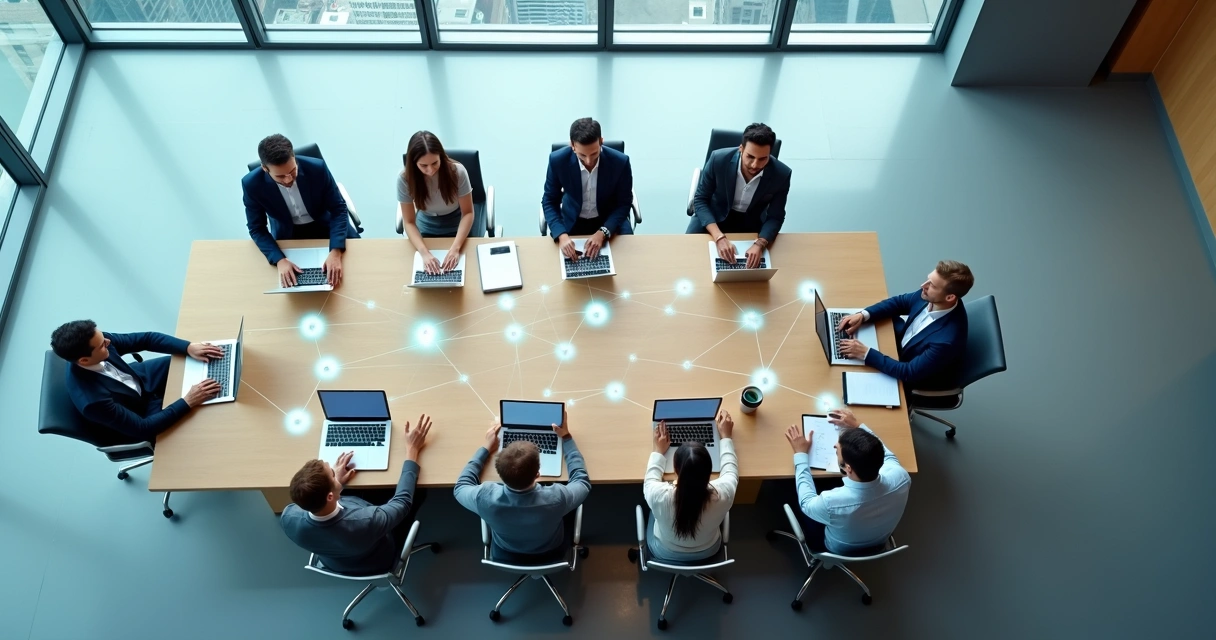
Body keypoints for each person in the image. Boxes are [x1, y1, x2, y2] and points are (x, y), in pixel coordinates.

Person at [280, 415, 432, 575]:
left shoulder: (288, 517)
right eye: (332, 473)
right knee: (418, 492)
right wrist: (412, 449)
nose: (335, 471)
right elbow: (402, 502)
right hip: (379, 559)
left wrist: (336, 482)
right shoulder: (366, 520)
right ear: (329, 497)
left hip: (336, 563)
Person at [51, 319, 223, 441]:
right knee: (198, 423)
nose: (109, 341)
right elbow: (143, 428)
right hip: (140, 410)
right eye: (103, 345)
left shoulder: (98, 341)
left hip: (140, 379)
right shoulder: (93, 402)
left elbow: (146, 339)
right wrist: (187, 401)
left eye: (103, 337)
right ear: (84, 360)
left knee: (188, 360)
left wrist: (188, 347)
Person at [454, 416, 590, 563]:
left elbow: (461, 487)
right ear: (538, 474)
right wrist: (566, 437)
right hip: (551, 552)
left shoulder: (484, 498)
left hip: (505, 553)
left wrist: (486, 448)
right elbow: (582, 482)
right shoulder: (557, 498)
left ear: (500, 475)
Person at [782, 408, 910, 555]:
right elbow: (888, 456)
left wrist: (800, 454)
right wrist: (858, 426)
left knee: (786, 486)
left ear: (848, 468)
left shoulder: (831, 502)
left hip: (835, 548)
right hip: (878, 540)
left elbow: (806, 502)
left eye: (837, 450)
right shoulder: (901, 476)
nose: (835, 446)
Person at [241, 134, 360, 288]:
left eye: (292, 171)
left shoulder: (317, 168)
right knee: (293, 284)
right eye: (280, 176)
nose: (288, 179)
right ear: (265, 169)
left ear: (295, 158)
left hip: (327, 225)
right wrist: (279, 260)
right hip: (289, 234)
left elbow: (338, 208)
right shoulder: (252, 184)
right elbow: (256, 228)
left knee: (356, 276)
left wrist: (336, 251)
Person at [836, 260, 974, 390]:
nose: (923, 285)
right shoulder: (932, 296)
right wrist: (863, 315)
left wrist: (865, 353)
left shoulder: (946, 341)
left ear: (950, 297)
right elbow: (899, 302)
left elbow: (908, 372)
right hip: (901, 348)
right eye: (928, 279)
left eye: (932, 285)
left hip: (910, 377)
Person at [687, 123, 792, 269]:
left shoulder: (782, 174)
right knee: (689, 259)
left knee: (749, 271)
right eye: (750, 156)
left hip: (750, 221)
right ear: (741, 148)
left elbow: (776, 216)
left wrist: (760, 244)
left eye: (763, 159)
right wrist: (719, 237)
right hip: (713, 214)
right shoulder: (718, 159)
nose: (755, 165)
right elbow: (700, 199)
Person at [643, 409, 738, 562]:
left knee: (651, 511)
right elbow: (731, 471)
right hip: (708, 551)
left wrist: (658, 451)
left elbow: (650, 479)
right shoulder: (724, 494)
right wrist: (726, 437)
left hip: (665, 551)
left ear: (676, 470)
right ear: (710, 472)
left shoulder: (658, 496)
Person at [542, 117, 634, 261]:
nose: (589, 161)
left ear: (601, 141)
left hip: (608, 219)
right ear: (572, 145)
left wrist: (603, 231)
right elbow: (549, 201)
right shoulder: (557, 161)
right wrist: (561, 235)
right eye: (582, 155)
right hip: (572, 221)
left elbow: (624, 203)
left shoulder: (620, 162)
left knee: (627, 262)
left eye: (594, 153)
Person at [397, 131, 475, 275]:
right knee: (422, 271)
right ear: (414, 163)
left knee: (463, 270)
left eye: (435, 163)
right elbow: (409, 222)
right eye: (423, 165)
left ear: (441, 156)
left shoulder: (457, 172)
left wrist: (455, 248)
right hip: (426, 224)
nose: (430, 170)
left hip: (456, 221)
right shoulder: (404, 179)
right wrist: (424, 253)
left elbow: (468, 213)